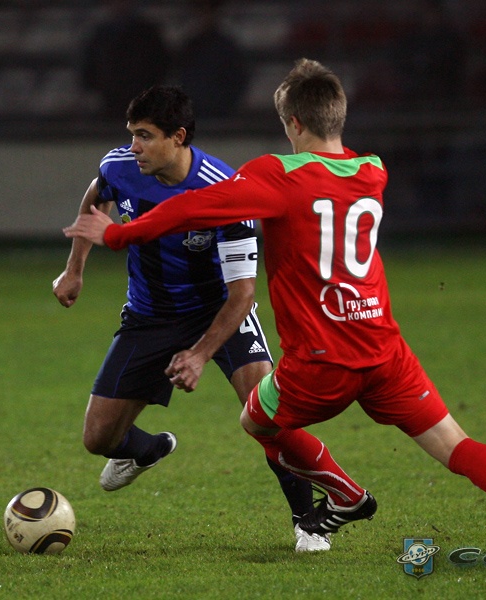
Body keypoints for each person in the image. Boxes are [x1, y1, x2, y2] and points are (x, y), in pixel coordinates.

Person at [63, 59, 486, 568]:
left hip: (321, 359)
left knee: (257, 420)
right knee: (457, 446)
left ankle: (346, 496)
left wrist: (119, 235)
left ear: (294, 123)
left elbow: (192, 207)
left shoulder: (277, 176)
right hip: (385, 352)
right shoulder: (373, 170)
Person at [52, 85, 320, 552]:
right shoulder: (120, 166)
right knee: (98, 438)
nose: (133, 146)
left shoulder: (224, 190)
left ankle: (309, 521)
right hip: (149, 314)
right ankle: (146, 450)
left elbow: (243, 293)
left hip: (221, 310)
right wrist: (74, 269)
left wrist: (198, 355)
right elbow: (97, 194)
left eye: (144, 136)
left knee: (269, 415)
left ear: (177, 137)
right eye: (132, 134)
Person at [80, 0, 172, 117]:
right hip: (110, 100)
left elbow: (160, 64)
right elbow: (91, 66)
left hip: (142, 98)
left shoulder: (147, 32)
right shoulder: (101, 34)